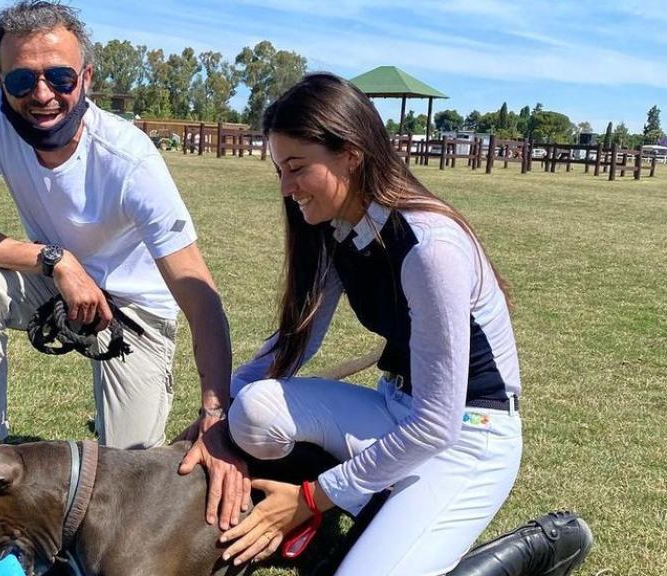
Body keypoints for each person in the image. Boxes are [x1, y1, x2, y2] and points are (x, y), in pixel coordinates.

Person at [218, 73, 591, 575]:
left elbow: (437, 424)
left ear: (351, 154)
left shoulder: (431, 248)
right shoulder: (337, 229)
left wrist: (311, 498)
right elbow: (296, 342)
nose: (286, 189)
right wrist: (215, 408)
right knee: (254, 411)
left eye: (297, 168)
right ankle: (386, 511)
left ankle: (518, 554)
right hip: (395, 407)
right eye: (279, 171)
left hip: (468, 437)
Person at [0, 0, 246, 551]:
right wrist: (56, 260)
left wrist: (215, 413)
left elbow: (199, 293)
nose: (42, 95)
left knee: (133, 476)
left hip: (135, 312)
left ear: (87, 77)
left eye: (60, 76)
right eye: (23, 78)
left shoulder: (130, 160)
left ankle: (124, 420)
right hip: (56, 282)